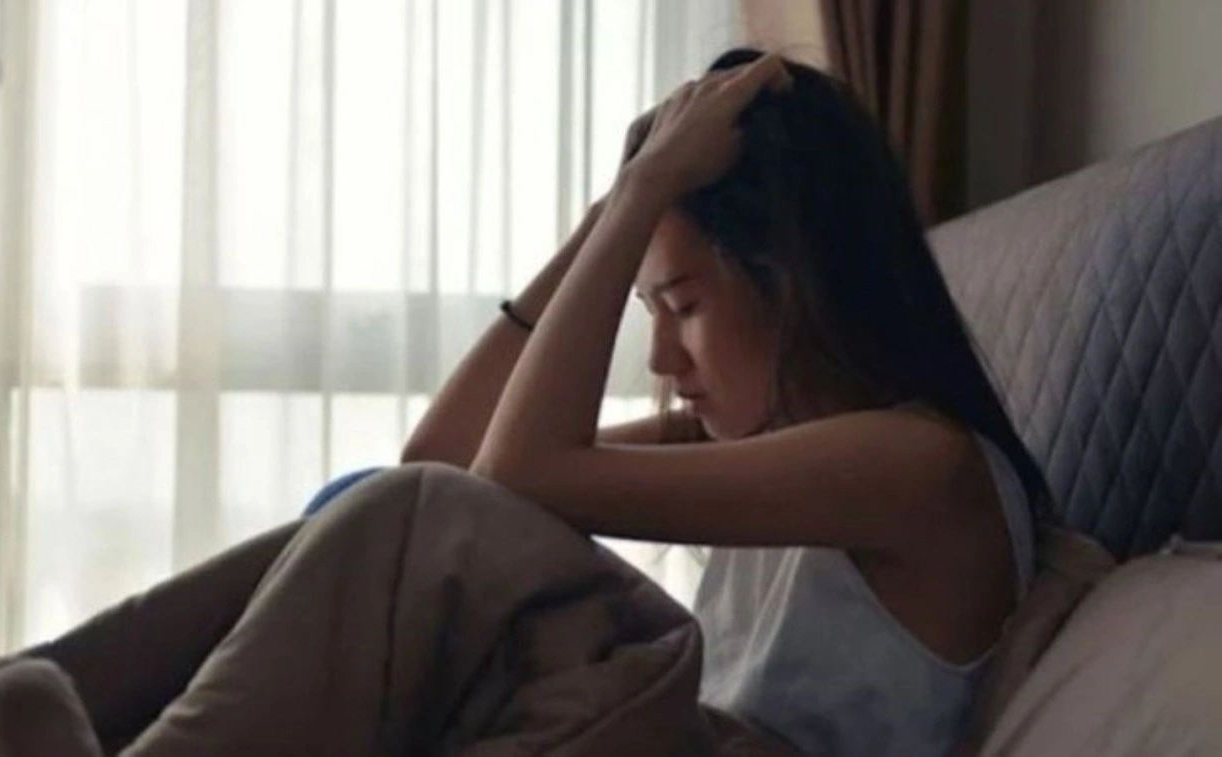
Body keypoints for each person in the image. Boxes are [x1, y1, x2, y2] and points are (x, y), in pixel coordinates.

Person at [401, 48, 1048, 757]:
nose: (661, 358)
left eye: (683, 306)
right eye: (650, 309)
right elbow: (439, 476)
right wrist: (608, 217)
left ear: (793, 280)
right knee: (381, 529)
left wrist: (642, 194)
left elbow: (516, 472)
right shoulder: (751, 441)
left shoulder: (917, 464)